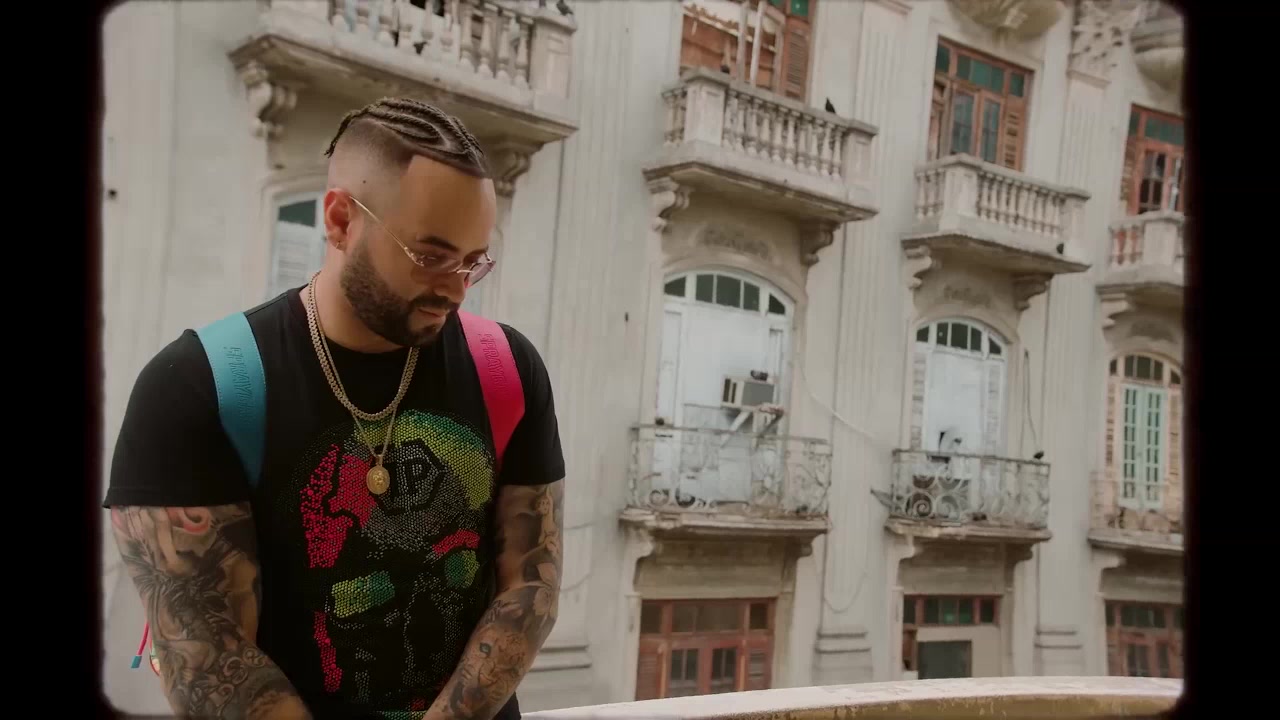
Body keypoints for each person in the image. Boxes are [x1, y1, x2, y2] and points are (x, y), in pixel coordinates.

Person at [104, 97, 565, 720]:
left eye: (472, 262)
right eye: (430, 256)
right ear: (342, 220)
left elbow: (531, 586)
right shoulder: (195, 387)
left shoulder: (506, 369)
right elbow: (206, 654)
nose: (455, 289)